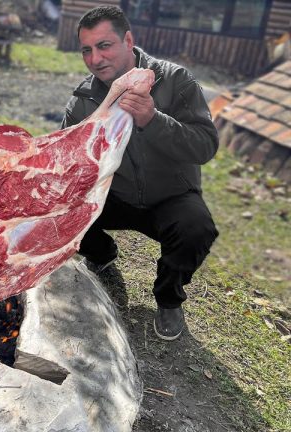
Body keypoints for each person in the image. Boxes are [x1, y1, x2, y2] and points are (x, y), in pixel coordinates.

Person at [61, 6, 219, 341]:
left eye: (104, 45)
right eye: (86, 50)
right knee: (63, 208)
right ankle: (102, 254)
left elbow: (205, 146)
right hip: (115, 196)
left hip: (169, 197)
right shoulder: (84, 99)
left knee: (197, 229)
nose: (95, 59)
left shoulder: (175, 81)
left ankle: (168, 298)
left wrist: (153, 119)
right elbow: (67, 161)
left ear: (128, 40)